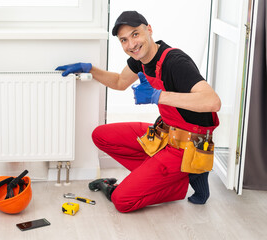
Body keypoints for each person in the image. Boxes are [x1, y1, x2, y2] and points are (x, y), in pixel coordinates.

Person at [56, 11, 221, 213]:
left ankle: (179, 179)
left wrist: (157, 96)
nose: (131, 44)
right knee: (100, 136)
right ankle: (170, 178)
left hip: (187, 145)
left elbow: (212, 101)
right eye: (124, 40)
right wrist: (89, 69)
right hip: (164, 134)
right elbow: (119, 82)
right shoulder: (139, 60)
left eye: (135, 34)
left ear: (149, 30)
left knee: (121, 200)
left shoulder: (175, 62)